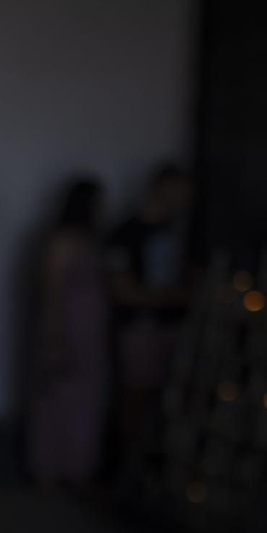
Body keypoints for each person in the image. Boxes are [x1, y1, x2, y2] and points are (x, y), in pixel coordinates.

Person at [26, 178, 109, 492]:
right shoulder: (62, 244)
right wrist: (55, 338)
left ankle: (78, 468)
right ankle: (51, 469)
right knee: (57, 401)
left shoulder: (88, 241)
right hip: (67, 332)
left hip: (88, 335)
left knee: (85, 403)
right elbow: (52, 291)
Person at [107, 163, 194, 451]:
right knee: (136, 395)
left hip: (171, 325)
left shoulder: (173, 232)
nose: (185, 198)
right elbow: (123, 291)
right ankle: (125, 462)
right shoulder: (125, 233)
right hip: (140, 326)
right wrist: (179, 297)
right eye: (180, 190)